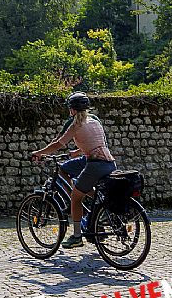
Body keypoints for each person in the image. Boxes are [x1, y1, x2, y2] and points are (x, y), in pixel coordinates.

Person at [31, 92, 116, 248]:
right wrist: (76, 152)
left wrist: (39, 152)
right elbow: (96, 143)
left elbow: (58, 144)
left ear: (72, 110)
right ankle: (96, 215)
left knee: (75, 198)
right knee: (85, 187)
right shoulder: (94, 121)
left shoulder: (76, 125)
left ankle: (77, 237)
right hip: (110, 163)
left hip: (95, 165)